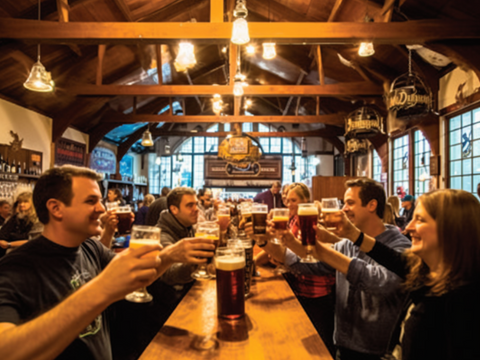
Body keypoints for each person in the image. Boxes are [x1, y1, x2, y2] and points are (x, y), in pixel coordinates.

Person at [0, 165, 215, 360]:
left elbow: (133, 275)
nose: (102, 209)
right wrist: (102, 288)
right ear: (56, 209)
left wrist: (169, 256)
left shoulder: (90, 248)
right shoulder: (15, 268)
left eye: (101, 200)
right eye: (90, 201)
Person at [318, 189, 480, 360]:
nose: (408, 227)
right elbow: (391, 258)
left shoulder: (465, 301)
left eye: (420, 220)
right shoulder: (428, 271)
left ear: (451, 229)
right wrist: (351, 234)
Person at [264, 178, 411, 360]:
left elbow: (379, 282)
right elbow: (310, 265)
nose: (343, 209)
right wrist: (265, 241)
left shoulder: (399, 244)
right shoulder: (347, 243)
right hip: (343, 345)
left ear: (372, 205)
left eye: (350, 203)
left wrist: (321, 248)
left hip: (377, 352)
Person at [258, 182, 336, 356]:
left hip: (317, 292)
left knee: (320, 346)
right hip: (300, 286)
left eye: (293, 200)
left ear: (305, 201)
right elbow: (285, 250)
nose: (288, 203)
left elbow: (312, 256)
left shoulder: (311, 223)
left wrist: (279, 256)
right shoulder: (293, 220)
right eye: (287, 200)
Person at [0, 192, 41, 258]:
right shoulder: (16, 217)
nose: (22, 204)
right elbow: (3, 233)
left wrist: (9, 244)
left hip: (28, 254)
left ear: (32, 203)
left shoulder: (38, 219)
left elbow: (34, 241)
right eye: (19, 202)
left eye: (25, 201)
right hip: (11, 253)